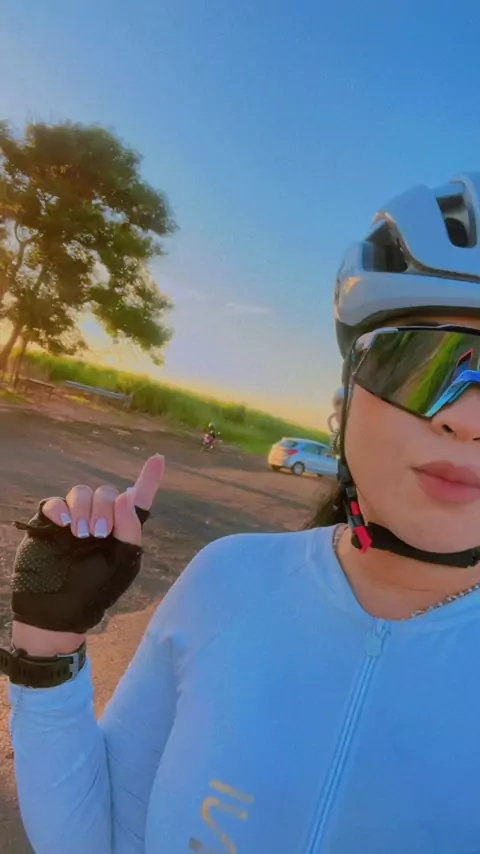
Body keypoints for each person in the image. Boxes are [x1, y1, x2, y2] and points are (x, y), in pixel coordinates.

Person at [6, 173, 480, 854]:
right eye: (424, 363)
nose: (467, 421)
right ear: (345, 401)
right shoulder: (227, 578)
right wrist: (47, 648)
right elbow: (95, 841)